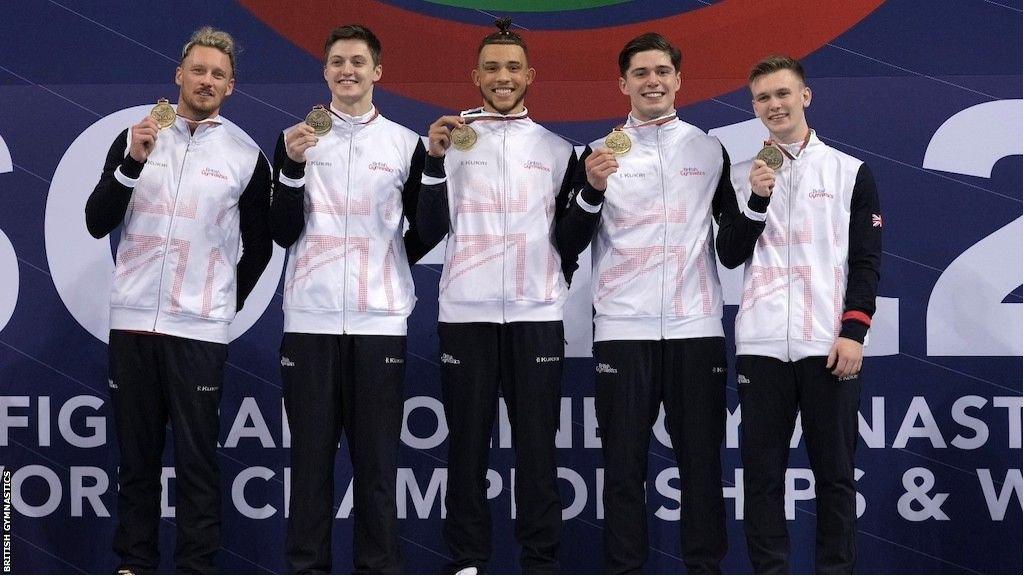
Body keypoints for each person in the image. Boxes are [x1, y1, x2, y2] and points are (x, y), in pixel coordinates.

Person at [556, 32, 767, 574]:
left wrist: (760, 203)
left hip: (696, 330)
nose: (652, 81)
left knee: (701, 467)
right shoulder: (597, 154)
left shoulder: (708, 148)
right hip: (623, 333)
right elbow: (567, 242)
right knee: (623, 470)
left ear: (678, 80)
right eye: (641, 73)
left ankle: (704, 570)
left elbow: (730, 247)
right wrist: (590, 191)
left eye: (662, 72)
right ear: (622, 83)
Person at [84, 26, 272, 574]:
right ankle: (133, 566)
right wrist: (132, 163)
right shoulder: (136, 136)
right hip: (133, 323)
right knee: (137, 464)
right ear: (178, 75)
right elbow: (98, 221)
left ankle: (196, 569)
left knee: (197, 464)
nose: (206, 80)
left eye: (218, 74)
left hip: (200, 332)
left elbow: (258, 250)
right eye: (198, 70)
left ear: (231, 86)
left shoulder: (246, 155)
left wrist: (219, 305)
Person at [269, 24, 434, 574]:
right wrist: (291, 170)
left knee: (378, 469)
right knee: (310, 468)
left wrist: (389, 264)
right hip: (310, 322)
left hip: (380, 323)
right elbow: (281, 231)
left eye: (358, 62)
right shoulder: (297, 138)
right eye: (338, 61)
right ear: (325, 72)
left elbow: (430, 229)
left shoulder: (404, 144)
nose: (348, 71)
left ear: (377, 72)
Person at [417, 17, 578, 575]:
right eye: (492, 68)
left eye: (512, 67)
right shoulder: (444, 143)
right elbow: (423, 229)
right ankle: (466, 561)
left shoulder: (559, 150)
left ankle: (538, 561)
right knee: (466, 446)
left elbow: (573, 238)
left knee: (537, 449)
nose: (502, 77)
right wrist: (434, 163)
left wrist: (551, 280)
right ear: (475, 76)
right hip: (465, 314)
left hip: (537, 315)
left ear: (530, 75)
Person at [728, 55, 882, 574]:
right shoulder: (739, 175)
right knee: (763, 477)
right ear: (754, 107)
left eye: (783, 94)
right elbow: (729, 253)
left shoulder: (849, 172)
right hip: (762, 346)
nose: (775, 105)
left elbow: (866, 261)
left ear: (805, 96)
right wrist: (754, 196)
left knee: (835, 475)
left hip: (827, 347)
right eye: (764, 98)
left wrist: (854, 332)